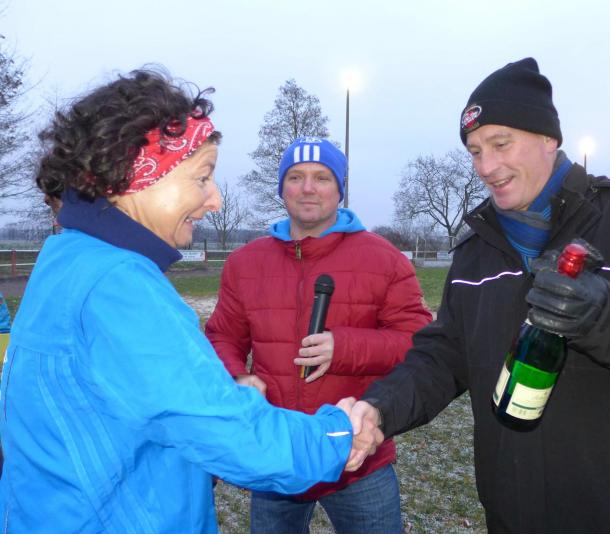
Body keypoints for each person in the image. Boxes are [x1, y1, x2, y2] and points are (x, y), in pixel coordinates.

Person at [348, 57, 610, 533]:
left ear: (548, 139)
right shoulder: (476, 253)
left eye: (501, 144)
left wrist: (608, 319)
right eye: (475, 151)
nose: (486, 167)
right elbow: (443, 357)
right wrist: (380, 408)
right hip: (514, 514)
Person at [0, 69, 357, 533]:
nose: (214, 200)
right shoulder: (118, 284)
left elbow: (133, 410)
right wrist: (339, 434)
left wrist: (223, 399)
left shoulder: (67, 257)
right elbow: (234, 439)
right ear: (135, 175)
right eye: (202, 177)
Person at [205, 136, 431, 533]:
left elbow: (419, 342)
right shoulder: (244, 263)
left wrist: (344, 347)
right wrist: (237, 376)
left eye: (322, 177)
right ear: (282, 188)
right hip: (279, 450)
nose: (308, 188)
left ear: (339, 189)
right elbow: (222, 336)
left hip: (357, 453)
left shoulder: (384, 259)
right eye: (295, 177)